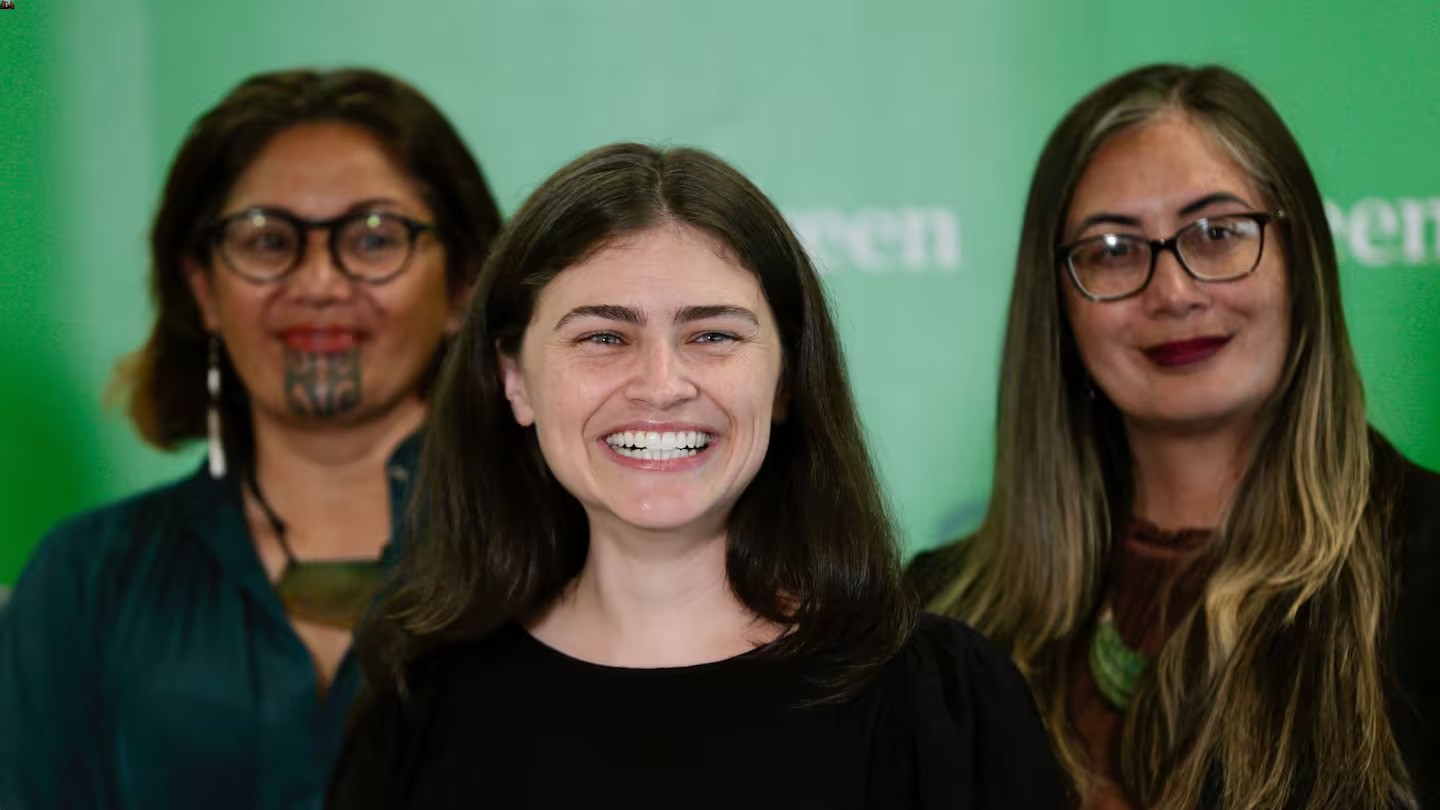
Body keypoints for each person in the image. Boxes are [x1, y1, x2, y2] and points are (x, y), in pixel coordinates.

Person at [326, 142, 1066, 809]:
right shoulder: (419, 705)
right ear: (514, 378)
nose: (661, 383)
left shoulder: (939, 702)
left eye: (712, 335)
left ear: (784, 381)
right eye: (604, 336)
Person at [908, 64, 1440, 809]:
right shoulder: (934, 618)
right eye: (1113, 249)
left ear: (1301, 262)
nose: (1174, 292)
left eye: (1218, 233)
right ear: (1058, 305)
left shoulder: (1428, 568)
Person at [0, 67, 502, 809]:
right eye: (268, 241)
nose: (320, 282)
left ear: (463, 284)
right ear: (204, 289)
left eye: (374, 239)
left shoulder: (554, 553)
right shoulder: (87, 580)